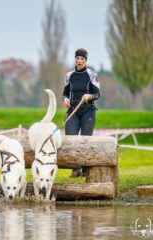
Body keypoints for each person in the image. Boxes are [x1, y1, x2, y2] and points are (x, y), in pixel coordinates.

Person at [62, 48, 100, 178]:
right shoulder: (69, 75)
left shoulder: (91, 75)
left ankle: (85, 170)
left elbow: (97, 94)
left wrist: (88, 96)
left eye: (82, 59)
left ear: (86, 60)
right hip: (73, 111)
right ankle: (75, 169)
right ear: (74, 59)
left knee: (85, 140)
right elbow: (65, 93)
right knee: (71, 140)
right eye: (77, 58)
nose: (79, 61)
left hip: (88, 111)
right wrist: (65, 99)